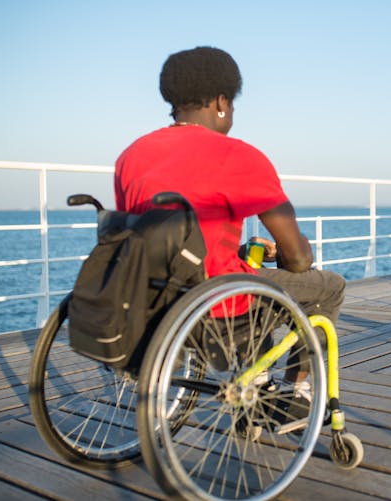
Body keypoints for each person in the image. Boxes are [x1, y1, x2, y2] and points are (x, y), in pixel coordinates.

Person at [114, 46, 345, 402]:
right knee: (328, 287)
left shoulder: (132, 155)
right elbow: (298, 260)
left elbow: (162, 240)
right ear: (221, 102)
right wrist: (287, 253)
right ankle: (298, 391)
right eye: (232, 104)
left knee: (246, 270)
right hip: (216, 308)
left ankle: (258, 380)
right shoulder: (237, 156)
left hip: (150, 302)